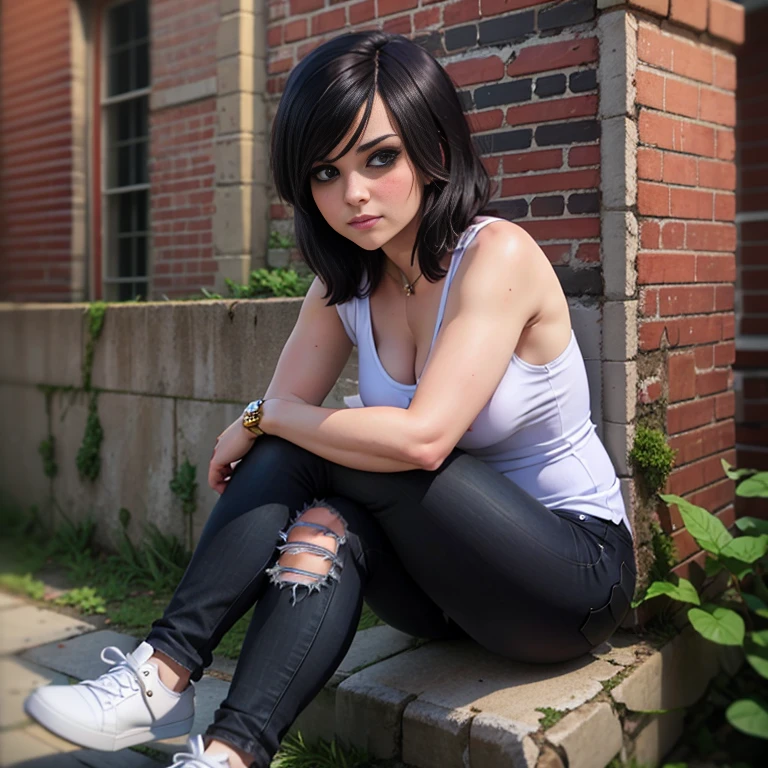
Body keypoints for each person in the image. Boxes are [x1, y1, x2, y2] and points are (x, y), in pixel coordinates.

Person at [24, 30, 636, 768]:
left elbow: (420, 441)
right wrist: (272, 421)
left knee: (324, 441)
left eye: (380, 158)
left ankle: (163, 671)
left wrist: (263, 417)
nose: (353, 194)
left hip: (567, 582)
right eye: (325, 171)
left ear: (431, 144)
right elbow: (284, 439)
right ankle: (226, 753)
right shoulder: (346, 283)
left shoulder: (495, 254)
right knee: (324, 519)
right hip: (442, 593)